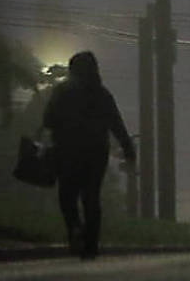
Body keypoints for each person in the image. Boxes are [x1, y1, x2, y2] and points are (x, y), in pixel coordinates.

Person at [42, 51, 135, 259]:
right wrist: (128, 149)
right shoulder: (102, 95)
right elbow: (116, 124)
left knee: (67, 194)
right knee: (91, 196)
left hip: (67, 151)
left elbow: (48, 119)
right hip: (96, 153)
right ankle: (91, 245)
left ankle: (74, 227)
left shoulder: (62, 92)